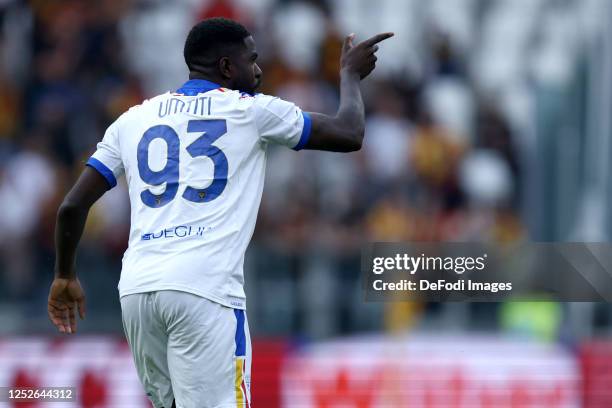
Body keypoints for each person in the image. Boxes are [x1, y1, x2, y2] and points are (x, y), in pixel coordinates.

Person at [48, 17, 392, 408]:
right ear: (228, 68)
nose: (259, 70)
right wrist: (349, 75)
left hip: (138, 291)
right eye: (252, 59)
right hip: (204, 289)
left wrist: (64, 275)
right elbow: (349, 133)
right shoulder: (250, 111)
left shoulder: (133, 119)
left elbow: (71, 206)